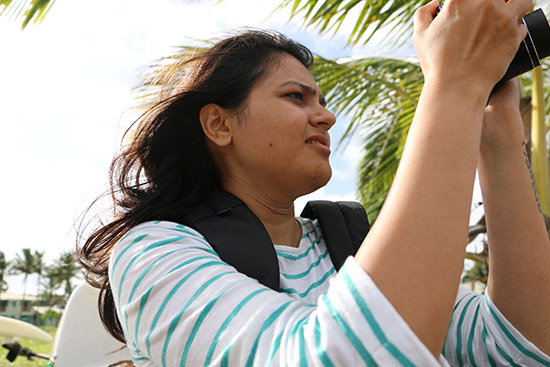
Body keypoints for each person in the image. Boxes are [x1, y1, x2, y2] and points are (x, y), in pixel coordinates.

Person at [76, 0, 550, 365]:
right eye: (295, 97)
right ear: (219, 125)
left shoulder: (354, 247)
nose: (325, 116)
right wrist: (454, 83)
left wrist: (500, 141)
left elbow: (515, 350)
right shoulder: (154, 252)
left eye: (319, 100)